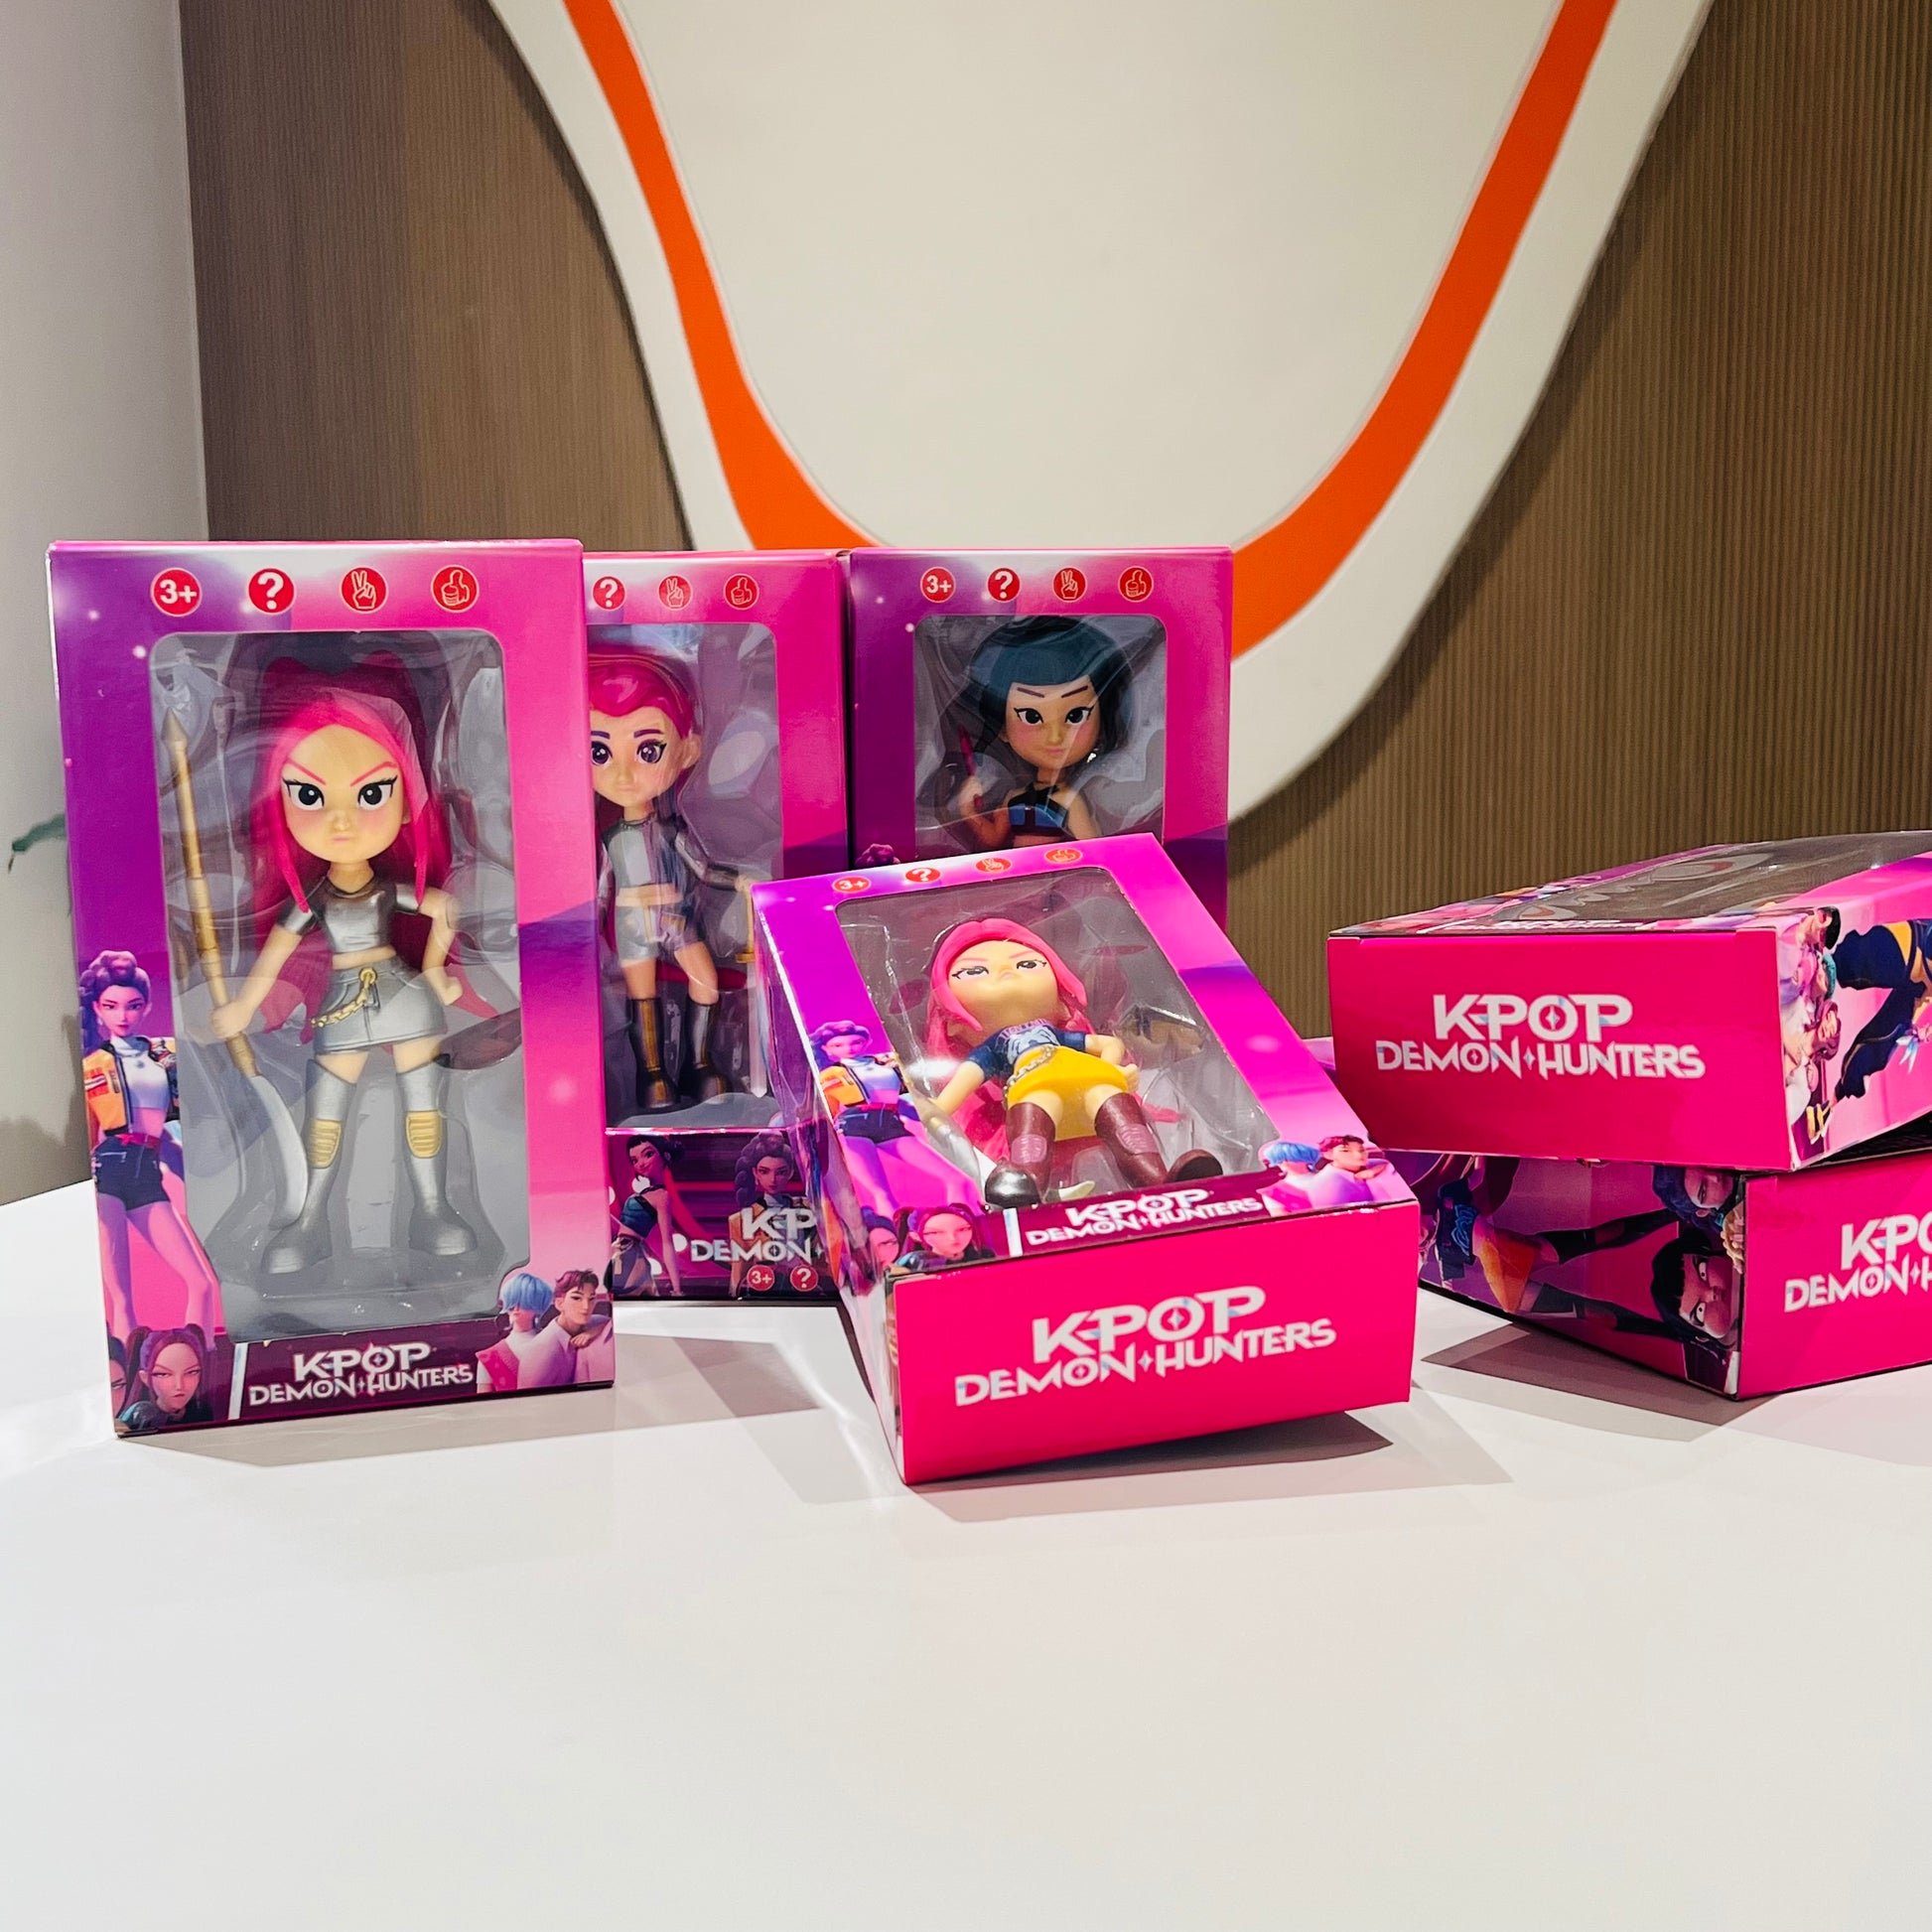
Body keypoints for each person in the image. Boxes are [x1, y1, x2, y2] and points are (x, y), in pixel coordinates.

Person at [208, 667, 476, 1275]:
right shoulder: (314, 899)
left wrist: (435, 968)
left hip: (404, 997)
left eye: (371, 794)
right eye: (310, 796)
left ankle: (433, 1209)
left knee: (424, 1108)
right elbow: (277, 951)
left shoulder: (385, 890)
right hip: (342, 1007)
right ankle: (308, 1220)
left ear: (406, 799)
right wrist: (245, 1006)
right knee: (324, 1118)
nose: (341, 820)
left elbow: (443, 907)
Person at [923, 917, 1219, 1207]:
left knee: (1122, 1118)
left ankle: (1159, 1179)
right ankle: (1026, 1186)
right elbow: (965, 1080)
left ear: (1060, 1004)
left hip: (1088, 1077)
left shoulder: (1055, 1035)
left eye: (1027, 964)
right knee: (1033, 1127)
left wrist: (1112, 1070)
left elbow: (1109, 1044)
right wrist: (931, 1112)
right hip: (1035, 1085)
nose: (1006, 972)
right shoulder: (994, 1048)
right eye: (974, 971)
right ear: (954, 1024)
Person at [588, 650, 741, 1112]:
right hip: (633, 926)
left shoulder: (674, 831)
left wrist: (742, 882)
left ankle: (699, 1063)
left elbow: (704, 870)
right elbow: (599, 893)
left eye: (647, 750)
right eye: (599, 752)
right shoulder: (609, 838)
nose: (623, 774)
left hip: (677, 920)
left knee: (705, 982)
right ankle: (652, 1076)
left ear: (687, 751)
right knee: (643, 998)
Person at [79, 950, 222, 1339]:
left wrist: (196, 1178)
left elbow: (173, 1130)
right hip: (106, 1171)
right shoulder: (91, 1066)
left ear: (146, 1006)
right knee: (121, 1299)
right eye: (111, 1006)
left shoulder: (167, 1054)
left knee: (201, 1283)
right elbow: (87, 1134)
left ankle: (201, 1361)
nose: (122, 1015)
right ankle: (125, 1373)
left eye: (132, 1005)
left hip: (148, 1170)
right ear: (98, 1009)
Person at [950, 618, 1136, 849]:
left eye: (1076, 716)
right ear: (1003, 728)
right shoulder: (1014, 797)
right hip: (1019, 869)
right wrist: (968, 810)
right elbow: (992, 839)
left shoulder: (1069, 800)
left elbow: (1093, 849)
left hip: (1062, 868)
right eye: (1031, 716)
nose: (1055, 737)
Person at [612, 1135, 707, 1296]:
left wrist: (677, 1289)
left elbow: (667, 1243)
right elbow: (623, 1228)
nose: (641, 1163)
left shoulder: (662, 1196)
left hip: (629, 1255)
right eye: (634, 1160)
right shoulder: (646, 1193)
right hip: (620, 1251)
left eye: (648, 1154)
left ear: (665, 1155)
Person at [727, 1134, 807, 1292]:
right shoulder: (740, 1220)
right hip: (763, 1289)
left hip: (805, 1287)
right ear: (755, 1173)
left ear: (790, 1173)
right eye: (765, 1172)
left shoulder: (809, 1209)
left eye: (780, 1172)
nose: (773, 1180)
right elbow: (740, 1270)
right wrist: (734, 1297)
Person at [476, 1271, 575, 1393]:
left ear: (538, 1306)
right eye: (511, 1302)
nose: (516, 1308)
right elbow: (484, 1402)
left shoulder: (557, 1344)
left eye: (523, 1303)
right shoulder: (488, 1358)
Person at [117, 1325, 213, 1433]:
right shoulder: (138, 1416)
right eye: (163, 1374)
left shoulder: (202, 1412)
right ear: (145, 1377)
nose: (179, 1385)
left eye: (191, 1372)